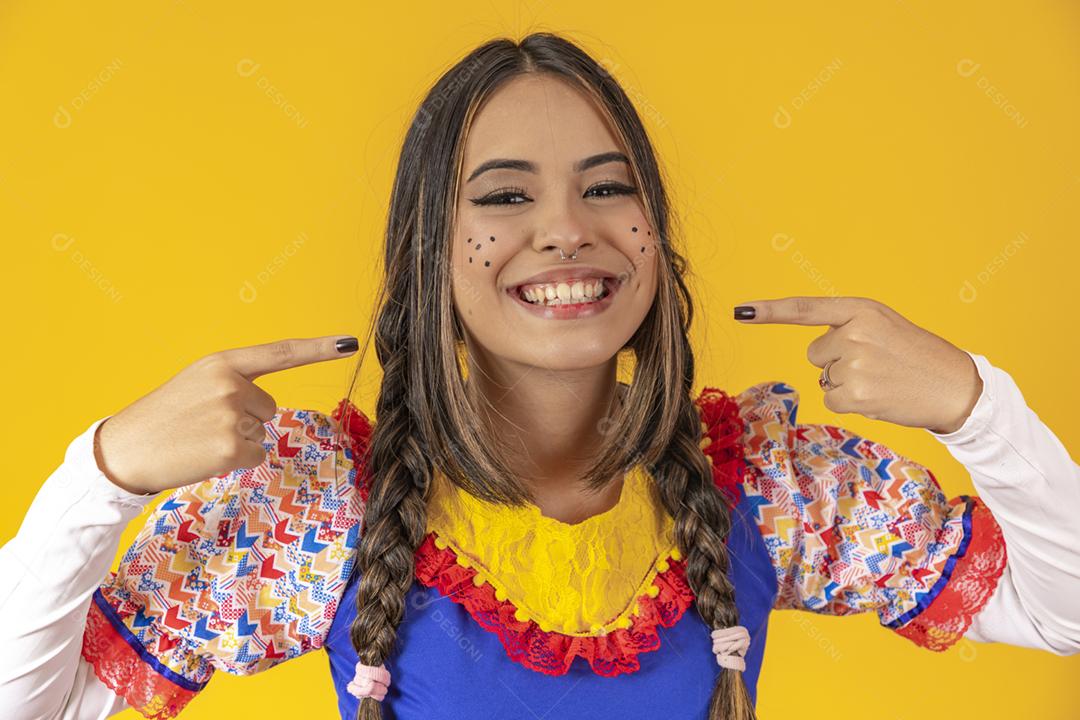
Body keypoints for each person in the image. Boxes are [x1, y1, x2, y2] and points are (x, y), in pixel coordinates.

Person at [2, 32, 1078, 720]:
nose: (567, 232)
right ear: (428, 251)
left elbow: (1064, 615)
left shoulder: (770, 482)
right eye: (505, 198)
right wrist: (101, 476)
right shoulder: (319, 507)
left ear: (655, 237)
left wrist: (979, 408)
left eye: (608, 190)